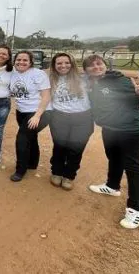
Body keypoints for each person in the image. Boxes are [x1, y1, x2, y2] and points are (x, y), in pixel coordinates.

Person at [83, 54, 139, 229]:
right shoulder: (90, 84)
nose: (96, 67)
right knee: (114, 159)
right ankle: (112, 186)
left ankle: (137, 209)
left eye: (99, 63)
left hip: (132, 129)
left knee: (133, 167)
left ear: (104, 65)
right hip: (110, 128)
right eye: (91, 65)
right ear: (86, 70)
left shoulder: (120, 80)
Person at [48, 53, 94, 190]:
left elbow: (102, 74)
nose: (63, 66)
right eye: (59, 63)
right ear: (54, 66)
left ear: (72, 63)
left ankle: (69, 175)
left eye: (67, 62)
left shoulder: (84, 78)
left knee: (76, 148)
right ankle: (56, 172)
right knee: (59, 146)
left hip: (82, 117)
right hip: (59, 117)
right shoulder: (50, 80)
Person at [9, 51, 52, 182]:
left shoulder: (38, 74)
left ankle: (20, 170)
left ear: (31, 62)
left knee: (22, 138)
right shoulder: (13, 73)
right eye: (18, 59)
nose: (21, 62)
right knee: (31, 137)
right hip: (21, 111)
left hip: (40, 112)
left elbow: (46, 96)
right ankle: (32, 163)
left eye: (25, 60)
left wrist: (37, 116)